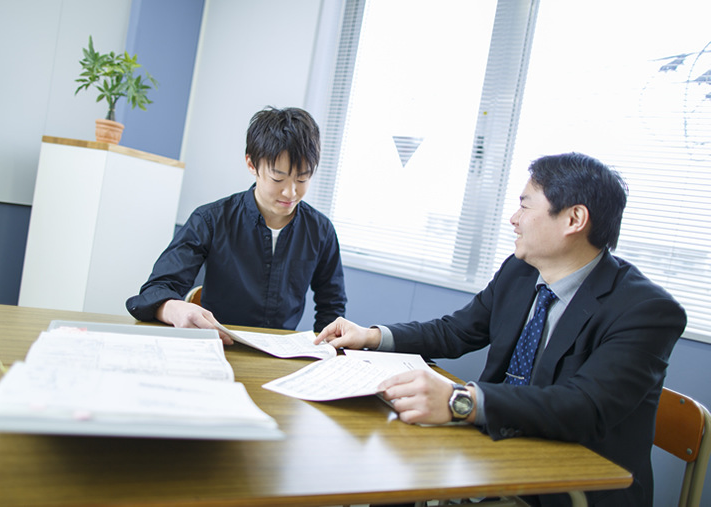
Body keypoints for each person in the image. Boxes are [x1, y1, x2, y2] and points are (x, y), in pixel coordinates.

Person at [316, 152, 686, 507]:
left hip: (570, 486)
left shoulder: (646, 311)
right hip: (496, 447)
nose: (513, 218)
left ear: (574, 219)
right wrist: (373, 336)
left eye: (525, 206)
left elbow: (584, 407)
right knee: (393, 457)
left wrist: (459, 400)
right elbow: (458, 331)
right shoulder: (521, 270)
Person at [127, 106, 347, 343]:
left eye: (302, 178)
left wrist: (324, 349)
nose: (291, 192)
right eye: (278, 178)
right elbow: (156, 290)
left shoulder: (320, 230)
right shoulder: (211, 220)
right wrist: (173, 308)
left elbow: (332, 307)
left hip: (280, 357)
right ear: (252, 165)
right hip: (216, 347)